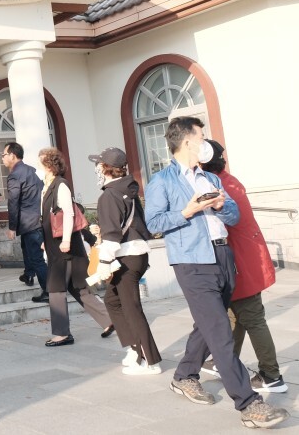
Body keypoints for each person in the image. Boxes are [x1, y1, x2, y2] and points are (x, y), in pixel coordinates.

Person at [145, 117, 287, 429]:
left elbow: (234, 216)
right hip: (192, 262)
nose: (205, 141)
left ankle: (184, 374)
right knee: (221, 331)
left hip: (222, 256)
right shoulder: (162, 181)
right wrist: (188, 211)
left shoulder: (210, 178)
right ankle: (249, 403)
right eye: (201, 136)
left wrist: (222, 206)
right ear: (187, 141)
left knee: (208, 324)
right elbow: (153, 222)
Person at [199, 140, 287, 393]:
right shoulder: (228, 180)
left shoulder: (216, 187)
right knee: (234, 314)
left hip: (241, 261)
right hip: (246, 256)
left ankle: (271, 375)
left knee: (252, 317)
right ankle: (223, 361)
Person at [90, 147, 162, 374]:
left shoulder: (109, 195)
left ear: (105, 168)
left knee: (131, 308)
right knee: (112, 300)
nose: (96, 169)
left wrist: (103, 264)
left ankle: (148, 360)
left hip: (125, 257)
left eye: (98, 164)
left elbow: (112, 237)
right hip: (137, 254)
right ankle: (134, 348)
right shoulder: (128, 189)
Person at [38, 148, 113, 347]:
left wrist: (65, 241)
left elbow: (69, 214)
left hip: (64, 248)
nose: (39, 166)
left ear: (49, 165)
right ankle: (109, 319)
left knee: (56, 289)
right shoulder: (48, 186)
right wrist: (47, 239)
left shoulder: (60, 185)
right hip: (60, 246)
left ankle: (61, 334)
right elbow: (47, 218)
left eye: (41, 163)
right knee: (78, 288)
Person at [2, 142, 48, 302]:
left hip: (29, 222)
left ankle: (49, 292)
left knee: (37, 258)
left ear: (12, 156)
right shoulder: (31, 170)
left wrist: (12, 227)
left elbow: (13, 202)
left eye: (4, 155)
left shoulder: (15, 175)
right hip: (38, 219)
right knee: (26, 248)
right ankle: (28, 274)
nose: (2, 158)